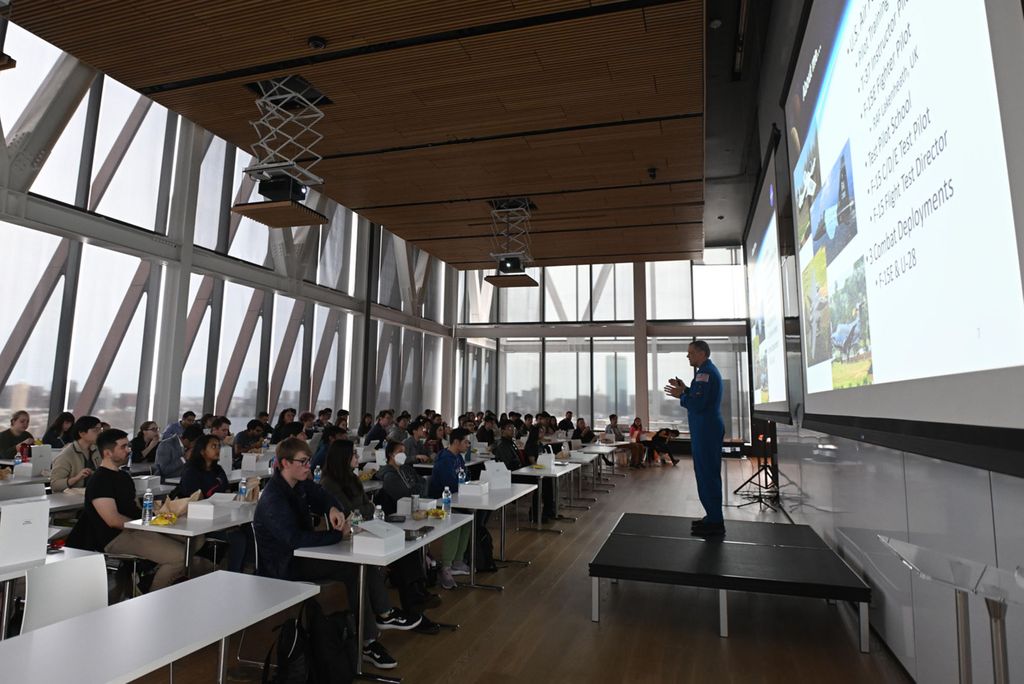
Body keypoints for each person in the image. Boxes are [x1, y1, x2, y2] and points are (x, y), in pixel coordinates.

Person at [253, 437, 420, 670]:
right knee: (354, 568)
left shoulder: (299, 484)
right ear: (284, 463)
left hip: (302, 554)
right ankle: (369, 638)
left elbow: (321, 495)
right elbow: (294, 540)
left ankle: (382, 616)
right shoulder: (273, 499)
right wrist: (336, 536)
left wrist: (331, 508)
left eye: (308, 461)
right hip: (285, 564)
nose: (307, 466)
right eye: (302, 462)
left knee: (361, 560)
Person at [67, 428, 205, 591]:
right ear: (108, 453)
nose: (129, 450)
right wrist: (147, 525)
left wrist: (156, 517)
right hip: (116, 537)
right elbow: (113, 520)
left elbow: (136, 508)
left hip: (137, 528)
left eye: (128, 446)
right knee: (181, 557)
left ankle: (151, 573)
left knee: (197, 538)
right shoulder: (99, 481)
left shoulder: (124, 477)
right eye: (123, 447)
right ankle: (153, 596)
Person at [665, 339, 725, 537]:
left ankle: (715, 521)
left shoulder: (705, 373)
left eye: (690, 353)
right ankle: (712, 516)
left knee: (707, 474)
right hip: (705, 429)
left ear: (701, 353)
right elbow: (700, 397)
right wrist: (685, 390)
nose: (688, 356)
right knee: (705, 473)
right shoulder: (705, 372)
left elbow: (698, 405)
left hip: (706, 430)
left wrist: (680, 396)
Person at [427, 428, 474, 589]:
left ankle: (458, 560)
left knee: (468, 519)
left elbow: (465, 477)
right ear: (456, 442)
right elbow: (451, 484)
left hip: (456, 498)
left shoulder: (458, 457)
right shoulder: (444, 460)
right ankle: (446, 567)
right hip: (442, 501)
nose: (468, 445)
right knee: (455, 523)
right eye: (466, 442)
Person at [319, 440, 374, 520]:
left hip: (365, 523)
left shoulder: (353, 477)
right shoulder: (328, 483)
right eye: (354, 453)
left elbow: (366, 502)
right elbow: (348, 512)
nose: (357, 456)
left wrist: (367, 508)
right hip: (349, 528)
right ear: (343, 456)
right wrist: (370, 507)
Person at [51, 416, 103, 492]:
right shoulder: (66, 455)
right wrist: (76, 478)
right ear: (82, 433)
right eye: (96, 430)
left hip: (93, 494)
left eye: (100, 430)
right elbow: (55, 485)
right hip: (70, 499)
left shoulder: (97, 450)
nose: (100, 433)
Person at [178, 434, 230, 498]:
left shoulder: (218, 469)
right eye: (213, 447)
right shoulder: (191, 472)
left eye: (219, 447)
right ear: (202, 451)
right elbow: (195, 498)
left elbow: (227, 490)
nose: (218, 450)